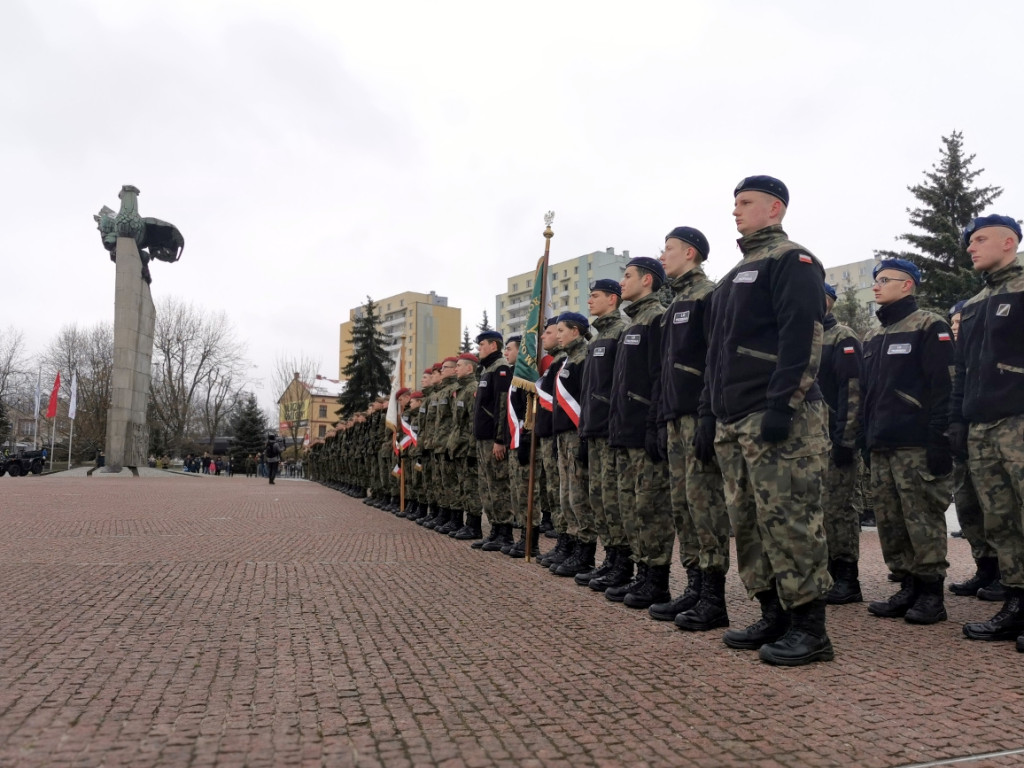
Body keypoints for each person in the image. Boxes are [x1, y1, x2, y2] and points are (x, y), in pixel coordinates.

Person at [705, 175, 833, 666]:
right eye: (734, 202)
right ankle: (772, 612)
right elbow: (718, 352)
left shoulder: (792, 260)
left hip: (777, 413)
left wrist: (783, 404)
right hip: (734, 416)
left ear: (774, 208)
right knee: (750, 523)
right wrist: (711, 413)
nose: (735, 211)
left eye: (745, 202)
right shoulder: (734, 274)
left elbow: (804, 336)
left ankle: (810, 628)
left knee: (790, 519)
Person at [861, 258, 953, 625]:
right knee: (891, 520)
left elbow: (944, 385)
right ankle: (907, 586)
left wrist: (939, 439)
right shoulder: (873, 336)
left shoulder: (929, 325)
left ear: (908, 285)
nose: (877, 286)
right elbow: (868, 393)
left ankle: (931, 594)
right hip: (882, 443)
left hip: (916, 444)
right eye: (875, 280)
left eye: (885, 280)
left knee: (921, 518)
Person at [651, 226, 731, 632]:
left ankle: (714, 598)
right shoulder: (674, 305)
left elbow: (716, 360)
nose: (662, 256)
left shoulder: (708, 295)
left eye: (668, 249)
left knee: (706, 506)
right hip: (674, 419)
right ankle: (695, 586)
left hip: (698, 416)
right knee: (683, 505)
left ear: (691, 253)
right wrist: (661, 418)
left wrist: (708, 416)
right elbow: (666, 371)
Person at [950, 215, 1024, 650]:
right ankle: (1016, 603)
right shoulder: (975, 303)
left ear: (1009, 241)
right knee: (1003, 522)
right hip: (981, 426)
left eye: (980, 240)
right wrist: (959, 420)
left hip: (1018, 420)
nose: (971, 248)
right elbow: (961, 369)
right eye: (969, 242)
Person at [605, 256, 671, 609]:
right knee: (631, 507)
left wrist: (653, 423)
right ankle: (642, 571)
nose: (622, 282)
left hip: (644, 431)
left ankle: (657, 580)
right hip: (624, 431)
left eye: (627, 276)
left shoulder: (656, 318)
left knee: (650, 507)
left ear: (647, 280)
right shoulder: (633, 324)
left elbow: (660, 376)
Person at [946, 298, 1003, 600]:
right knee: (968, 508)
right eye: (953, 323)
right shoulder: (954, 357)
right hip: (963, 443)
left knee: (994, 508)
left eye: (959, 322)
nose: (956, 327)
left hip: (989, 438)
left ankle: (1006, 573)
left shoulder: (983, 355)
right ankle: (985, 567)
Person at [576, 279, 630, 590]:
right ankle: (610, 559)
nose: (589, 301)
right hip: (594, 429)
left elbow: (622, 384)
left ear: (612, 299)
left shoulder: (622, 329)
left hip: (611, 428)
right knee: (600, 499)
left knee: (614, 500)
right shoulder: (599, 336)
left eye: (594, 296)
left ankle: (622, 565)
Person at [818, 282, 864, 605]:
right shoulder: (802, 336)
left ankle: (848, 577)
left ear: (827, 301)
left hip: (835, 440)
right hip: (809, 442)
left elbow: (852, 391)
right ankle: (828, 572)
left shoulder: (841, 337)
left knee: (839, 510)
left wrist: (846, 438)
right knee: (818, 511)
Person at [549, 312, 596, 577]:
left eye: (561, 330)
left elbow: (585, 398)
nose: (557, 335)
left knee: (579, 496)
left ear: (576, 331)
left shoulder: (584, 356)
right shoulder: (567, 359)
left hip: (577, 433)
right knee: (567, 495)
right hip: (563, 436)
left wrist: (583, 435)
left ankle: (585, 553)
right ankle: (572, 545)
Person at [472, 330, 514, 551]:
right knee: (487, 487)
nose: (479, 349)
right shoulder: (487, 369)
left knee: (498, 485)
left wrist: (500, 439)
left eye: (482, 345)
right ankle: (495, 530)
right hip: (482, 438)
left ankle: (505, 532)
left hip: (493, 439)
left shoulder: (501, 369)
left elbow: (501, 406)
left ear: (493, 346)